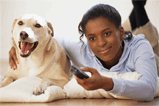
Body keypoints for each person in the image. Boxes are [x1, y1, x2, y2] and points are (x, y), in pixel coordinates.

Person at [8, 3, 158, 101]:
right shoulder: (82, 49)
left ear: (120, 33)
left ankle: (137, 11)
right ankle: (136, 12)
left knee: (151, 40)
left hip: (151, 54)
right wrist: (17, 46)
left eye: (106, 34)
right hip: (120, 36)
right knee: (118, 33)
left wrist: (106, 83)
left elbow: (149, 90)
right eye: (92, 38)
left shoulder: (140, 47)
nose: (100, 43)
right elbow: (45, 38)